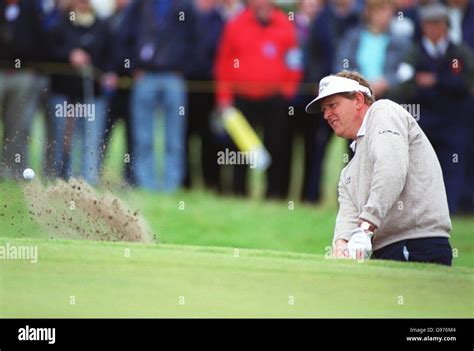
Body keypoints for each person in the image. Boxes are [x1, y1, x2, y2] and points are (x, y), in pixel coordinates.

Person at [305, 70, 453, 266]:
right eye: (324, 109)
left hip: (417, 243)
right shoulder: (348, 171)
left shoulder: (384, 112)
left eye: (332, 105)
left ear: (358, 100)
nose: (326, 115)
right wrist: (341, 245)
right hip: (384, 249)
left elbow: (391, 170)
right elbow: (347, 217)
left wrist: (366, 227)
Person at [214, 0, 302, 199]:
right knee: (240, 148)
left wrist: (287, 90)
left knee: (277, 146)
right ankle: (238, 193)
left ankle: (274, 194)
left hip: (274, 99)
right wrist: (224, 97)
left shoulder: (285, 25)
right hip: (242, 98)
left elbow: (294, 61)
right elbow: (224, 63)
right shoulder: (235, 24)